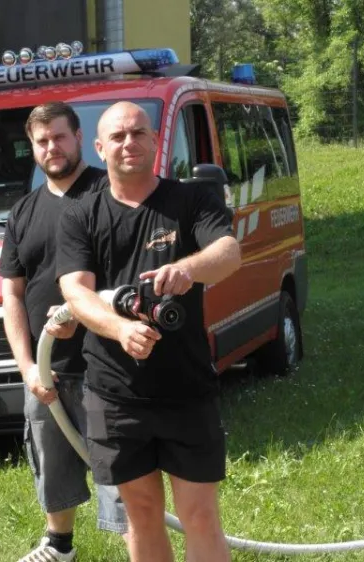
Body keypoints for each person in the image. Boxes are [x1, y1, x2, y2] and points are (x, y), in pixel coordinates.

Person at [55, 101, 242, 562]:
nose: (129, 143)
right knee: (140, 515)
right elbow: (75, 292)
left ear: (156, 141)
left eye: (138, 133)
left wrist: (188, 269)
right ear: (99, 148)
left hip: (186, 387)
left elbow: (229, 253)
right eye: (117, 137)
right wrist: (121, 330)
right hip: (114, 395)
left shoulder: (192, 201)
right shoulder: (80, 214)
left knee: (200, 516)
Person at [0, 101, 127, 562]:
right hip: (47, 371)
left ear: (79, 138)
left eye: (59, 137)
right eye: (42, 141)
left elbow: (128, 279)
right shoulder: (23, 212)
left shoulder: (110, 195)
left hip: (105, 368)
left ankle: (141, 548)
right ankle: (59, 546)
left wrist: (84, 309)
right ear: (32, 149)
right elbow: (11, 295)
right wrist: (28, 367)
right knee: (51, 466)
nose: (52, 147)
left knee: (120, 472)